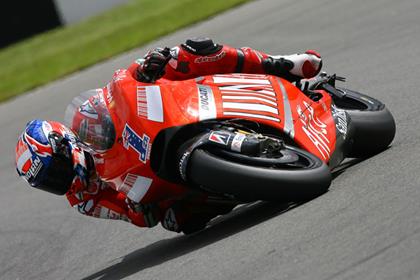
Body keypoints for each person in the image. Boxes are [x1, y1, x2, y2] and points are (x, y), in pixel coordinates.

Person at [15, 38, 323, 234]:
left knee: (188, 53)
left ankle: (282, 65)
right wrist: (137, 208)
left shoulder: (87, 119)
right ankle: (247, 181)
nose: (60, 179)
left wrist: (148, 66)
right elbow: (137, 218)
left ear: (64, 144)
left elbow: (119, 89)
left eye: (55, 170)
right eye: (50, 182)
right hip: (155, 178)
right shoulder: (84, 200)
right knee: (179, 221)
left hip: (163, 115)